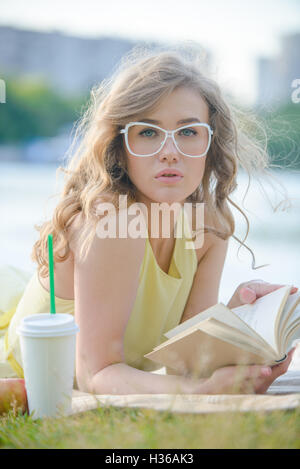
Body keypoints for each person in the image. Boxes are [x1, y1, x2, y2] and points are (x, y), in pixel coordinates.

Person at [0, 46, 298, 414]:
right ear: (120, 146)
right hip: (19, 371)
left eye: (188, 131)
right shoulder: (113, 224)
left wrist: (238, 324)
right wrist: (202, 393)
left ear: (210, 142)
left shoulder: (208, 230)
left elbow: (185, 362)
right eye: (148, 132)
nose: (170, 151)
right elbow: (97, 374)